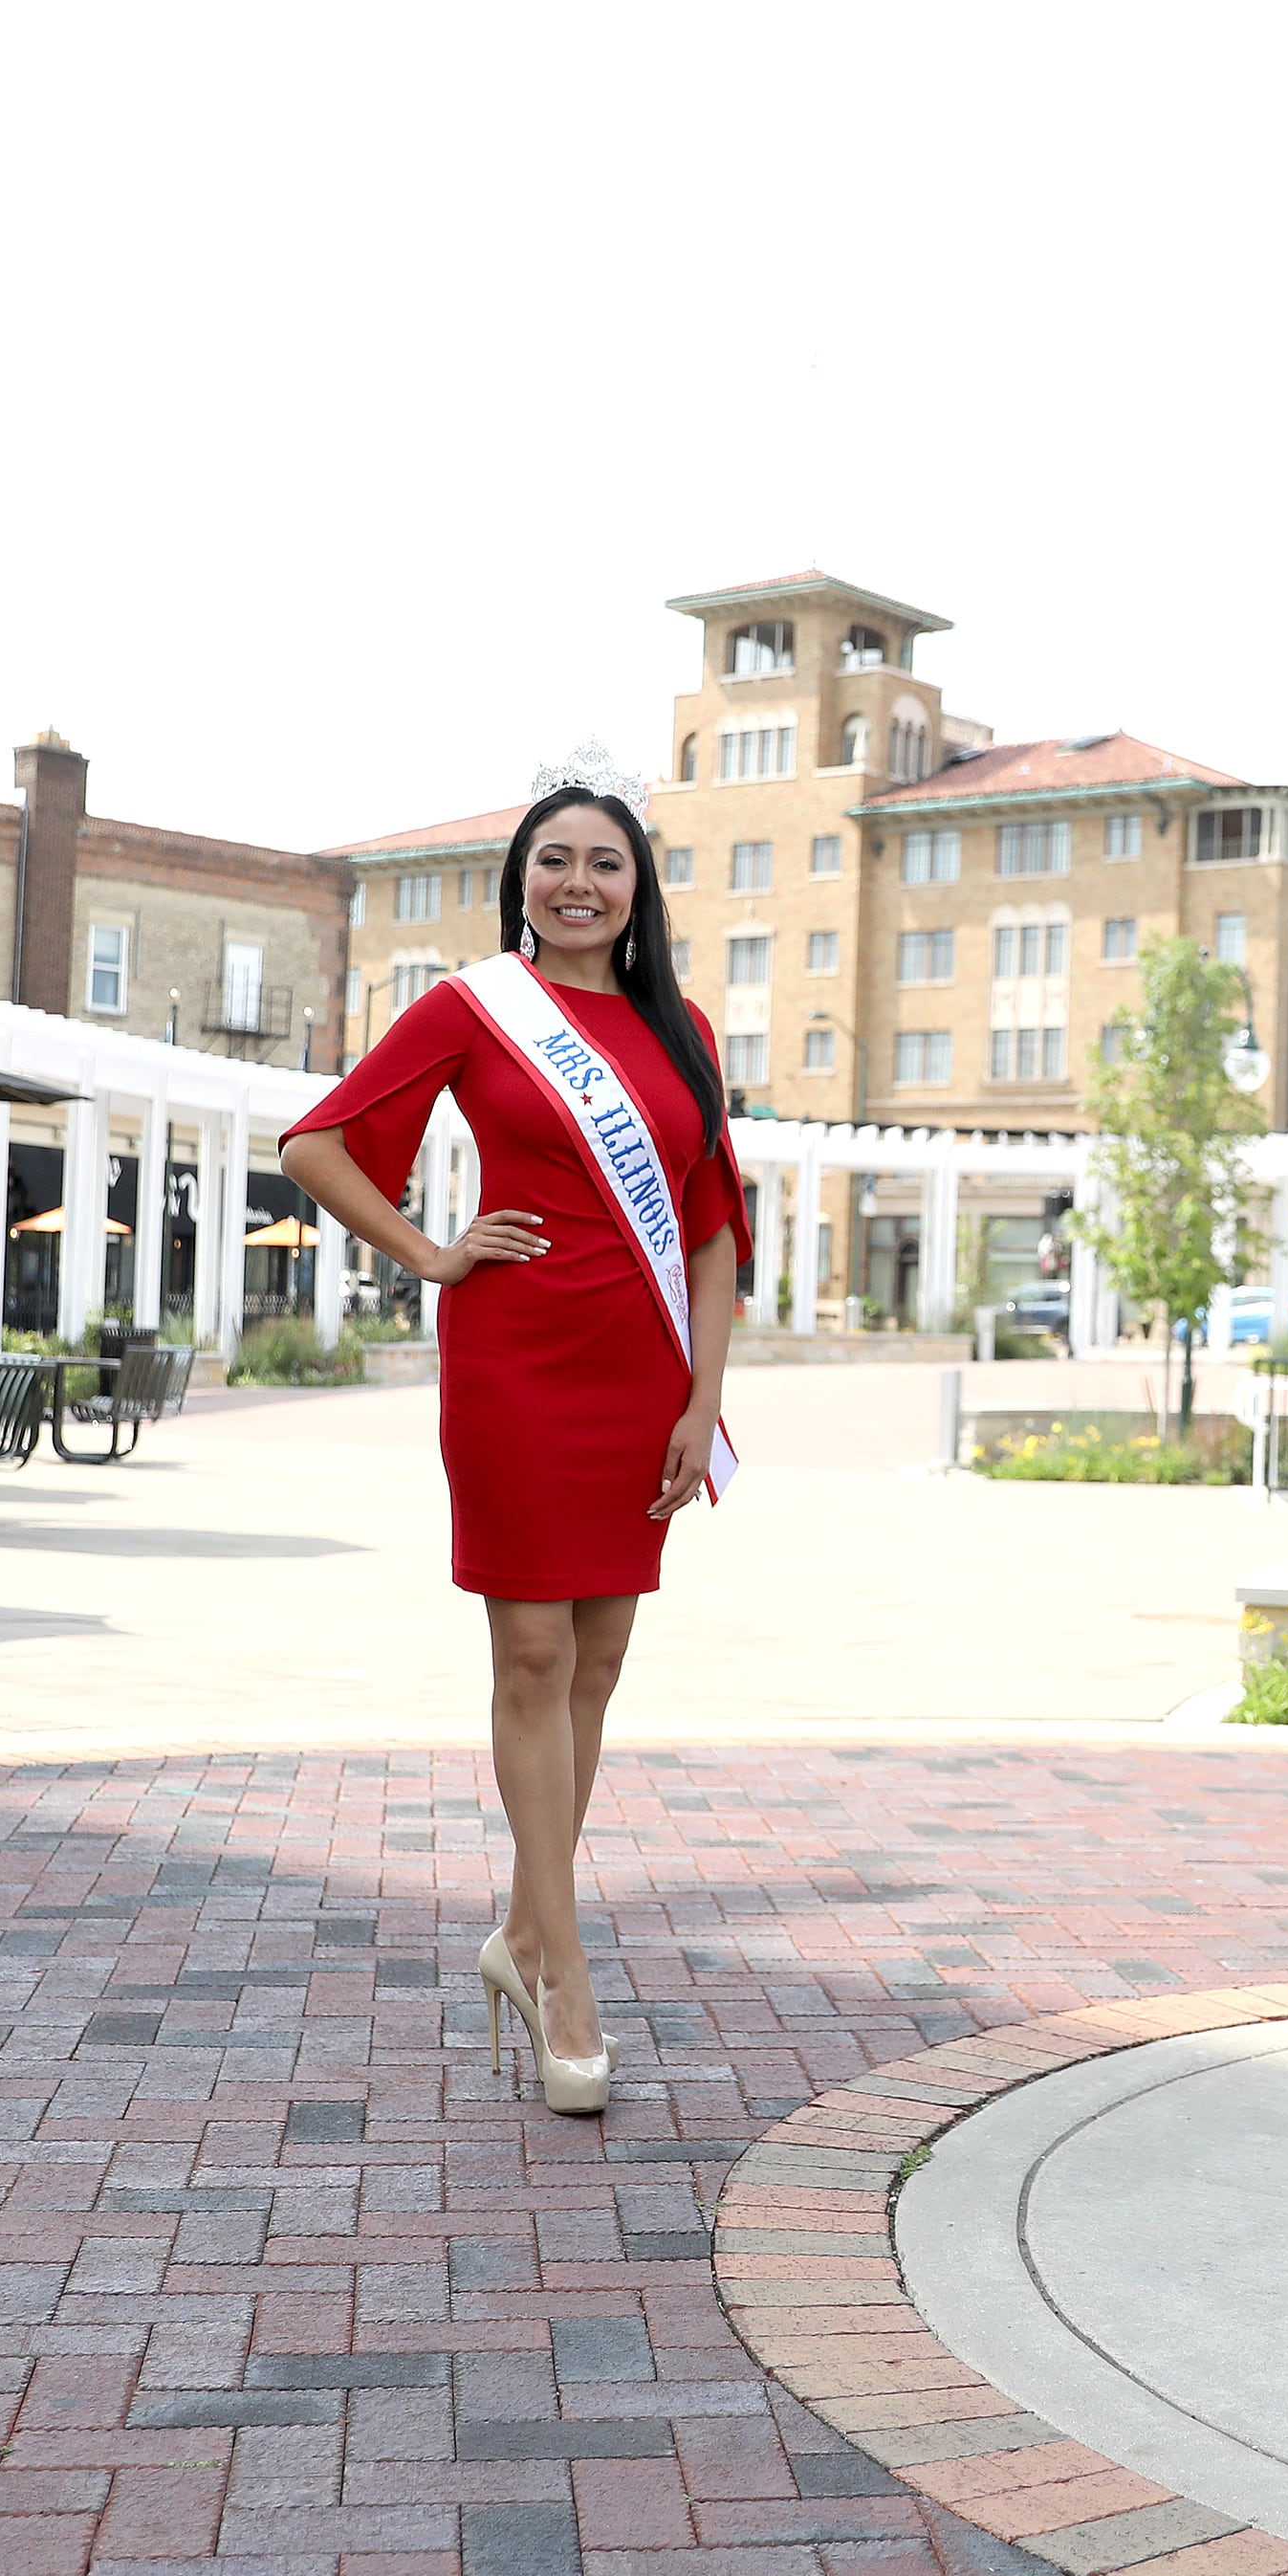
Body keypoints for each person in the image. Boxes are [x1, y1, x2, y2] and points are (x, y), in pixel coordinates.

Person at [281, 755, 748, 2116]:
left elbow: (713, 1236)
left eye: (607, 862)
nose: (580, 883)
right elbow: (318, 1143)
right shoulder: (472, 1011)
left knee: (597, 1663)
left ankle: (520, 1927)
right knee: (533, 1650)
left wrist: (701, 1400)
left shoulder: (686, 1036)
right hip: (517, 1362)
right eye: (556, 860)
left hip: (645, 1370)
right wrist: (429, 1251)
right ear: (522, 883)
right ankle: (563, 1972)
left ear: (638, 889)